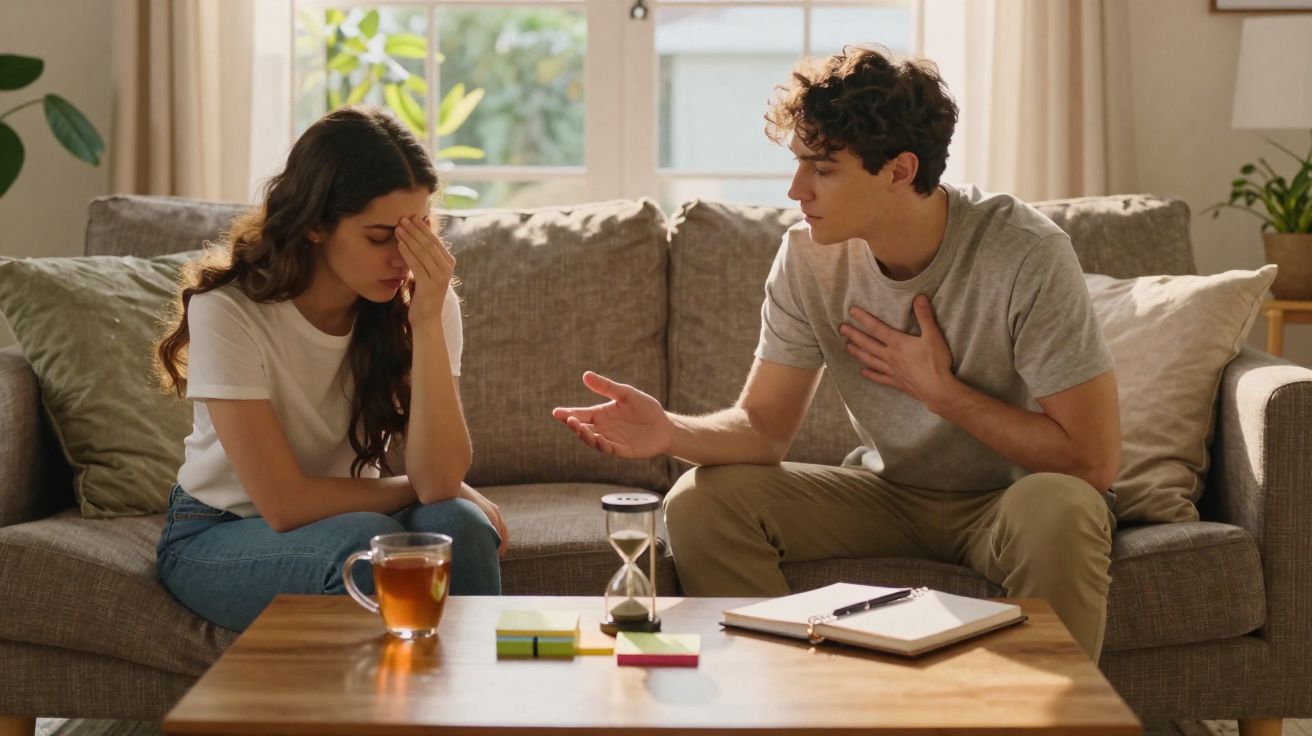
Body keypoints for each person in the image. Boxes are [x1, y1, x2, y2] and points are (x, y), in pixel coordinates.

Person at [552, 46, 1120, 661]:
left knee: (1061, 504)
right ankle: (803, 702)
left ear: (900, 170)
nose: (797, 189)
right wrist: (668, 430)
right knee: (701, 501)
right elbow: (764, 429)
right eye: (799, 164)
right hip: (886, 494)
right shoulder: (809, 256)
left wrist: (944, 394)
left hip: (1011, 501)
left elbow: (1091, 461)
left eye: (822, 169)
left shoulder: (1025, 252)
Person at [154, 107, 506, 632]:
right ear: (316, 224)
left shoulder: (424, 303)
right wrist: (425, 486)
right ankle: (389, 711)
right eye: (381, 236)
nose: (404, 259)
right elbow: (285, 503)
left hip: (352, 518)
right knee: (366, 543)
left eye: (418, 231)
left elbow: (441, 484)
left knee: (461, 525)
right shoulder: (229, 311)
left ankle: (471, 708)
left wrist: (428, 324)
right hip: (219, 530)